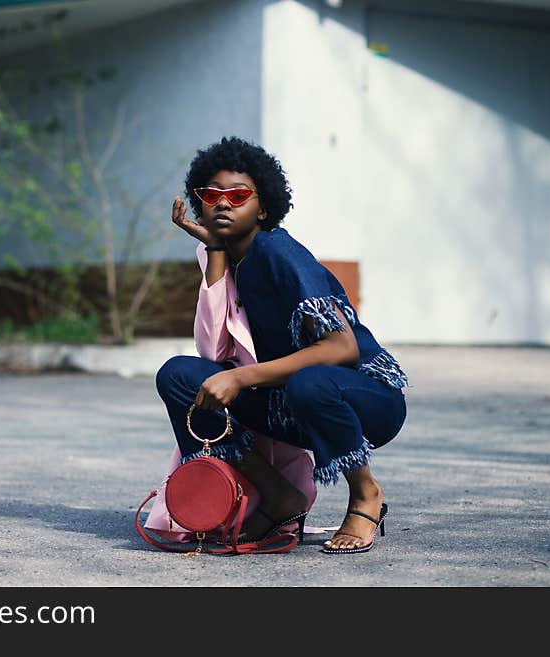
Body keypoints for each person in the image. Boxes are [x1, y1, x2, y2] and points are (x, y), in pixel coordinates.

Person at [155, 136, 409, 554]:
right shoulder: (227, 258)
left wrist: (242, 376)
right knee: (179, 377)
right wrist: (215, 254)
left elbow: (341, 348)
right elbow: (213, 353)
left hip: (363, 398)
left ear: (264, 207)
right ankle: (279, 496)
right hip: (287, 399)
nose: (223, 204)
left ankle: (366, 496)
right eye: (211, 195)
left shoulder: (277, 252)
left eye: (237, 195)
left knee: (310, 382)